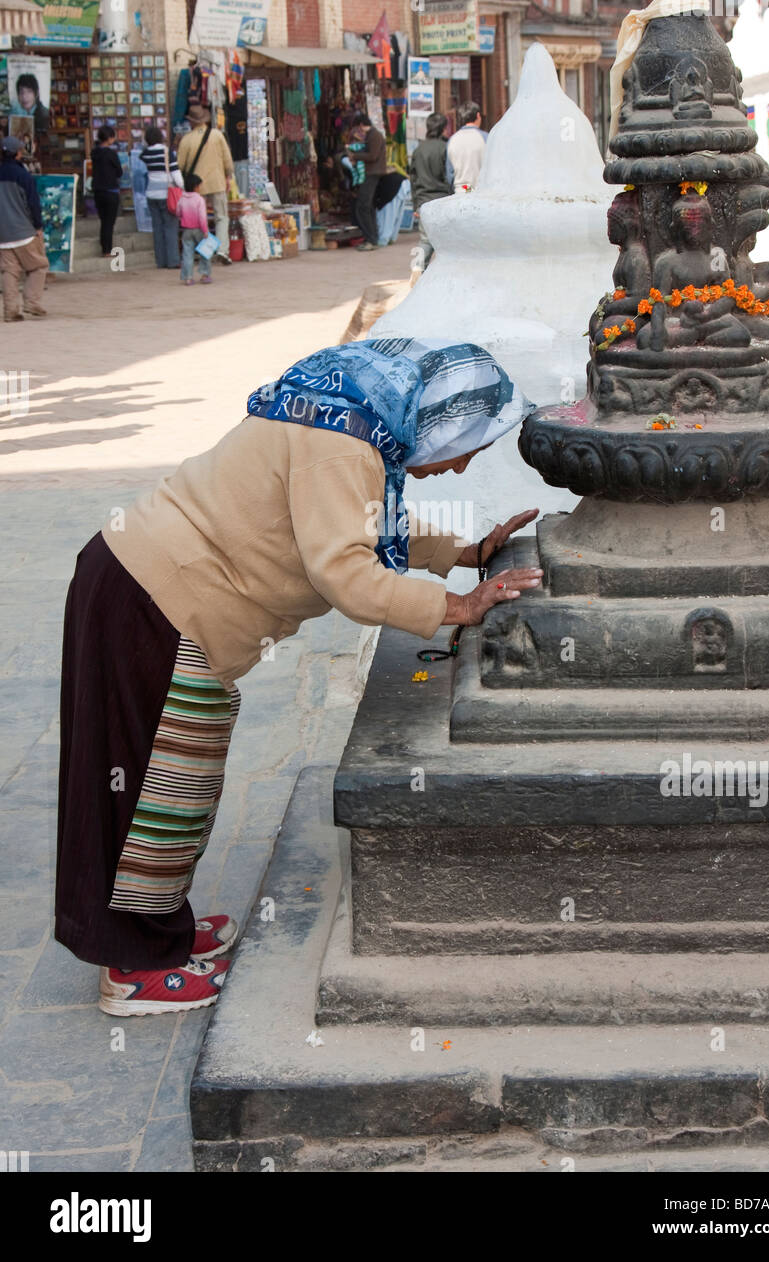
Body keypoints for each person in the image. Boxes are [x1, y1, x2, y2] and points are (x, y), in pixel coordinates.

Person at [55, 337, 542, 1016]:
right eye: (467, 447)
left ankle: (156, 933)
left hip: (152, 595)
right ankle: (133, 970)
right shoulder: (342, 443)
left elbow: (369, 523)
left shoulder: (353, 422)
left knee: (174, 788)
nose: (458, 465)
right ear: (442, 423)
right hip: (156, 602)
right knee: (146, 792)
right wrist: (453, 607)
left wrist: (463, 552)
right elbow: (344, 570)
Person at [0, 133, 49, 320]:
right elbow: (33, 204)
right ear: (17, 153)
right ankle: (32, 303)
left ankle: (10, 310)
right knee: (39, 266)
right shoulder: (23, 175)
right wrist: (38, 226)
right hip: (24, 231)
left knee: (9, 271)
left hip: (3, 234)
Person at [176, 105, 234, 264]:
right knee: (221, 217)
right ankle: (223, 250)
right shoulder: (217, 135)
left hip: (196, 186)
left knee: (197, 219)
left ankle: (201, 251)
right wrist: (228, 176)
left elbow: (180, 165)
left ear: (192, 122)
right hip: (217, 182)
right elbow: (227, 159)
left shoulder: (186, 140)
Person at [409, 111, 453, 269]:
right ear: (444, 128)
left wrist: (415, 204)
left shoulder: (418, 150)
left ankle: (417, 268)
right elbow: (449, 176)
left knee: (425, 240)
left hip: (423, 200)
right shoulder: (445, 148)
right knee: (447, 241)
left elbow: (413, 179)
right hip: (442, 199)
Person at [139, 126, 182, 269]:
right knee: (170, 227)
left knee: (157, 228)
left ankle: (161, 261)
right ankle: (173, 260)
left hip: (151, 194)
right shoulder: (167, 152)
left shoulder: (145, 154)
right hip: (166, 193)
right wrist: (184, 188)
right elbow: (176, 174)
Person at [343, 112, 387, 251]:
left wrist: (355, 155)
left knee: (363, 206)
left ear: (361, 125)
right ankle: (372, 238)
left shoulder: (374, 135)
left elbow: (372, 156)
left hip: (372, 173)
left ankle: (370, 239)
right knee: (367, 207)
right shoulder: (373, 135)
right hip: (371, 173)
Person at [90, 125, 123, 257]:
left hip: (98, 191)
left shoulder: (95, 153)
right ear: (109, 138)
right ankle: (107, 249)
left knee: (104, 220)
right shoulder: (111, 154)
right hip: (110, 191)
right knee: (109, 222)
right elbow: (119, 172)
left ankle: (105, 247)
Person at [176, 175, 212, 285]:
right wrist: (205, 231)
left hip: (186, 230)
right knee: (205, 252)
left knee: (187, 254)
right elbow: (202, 217)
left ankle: (188, 277)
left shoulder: (181, 199)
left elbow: (178, 213)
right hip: (199, 229)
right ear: (196, 187)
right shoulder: (199, 200)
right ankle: (205, 274)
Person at [446, 101, 488, 193]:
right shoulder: (486, 138)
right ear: (478, 116)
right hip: (480, 193)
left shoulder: (452, 140)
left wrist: (465, 188)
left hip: (460, 192)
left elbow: (450, 174)